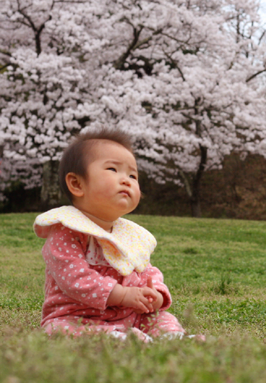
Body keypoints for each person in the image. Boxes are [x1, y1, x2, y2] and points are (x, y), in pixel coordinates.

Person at [34, 129, 186, 342]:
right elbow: (74, 278)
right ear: (77, 184)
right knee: (58, 329)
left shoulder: (129, 234)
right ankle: (115, 339)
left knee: (160, 318)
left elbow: (146, 270)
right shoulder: (66, 230)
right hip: (77, 316)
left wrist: (156, 294)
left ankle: (173, 337)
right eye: (113, 169)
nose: (126, 180)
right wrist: (122, 294)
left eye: (132, 175)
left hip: (130, 315)